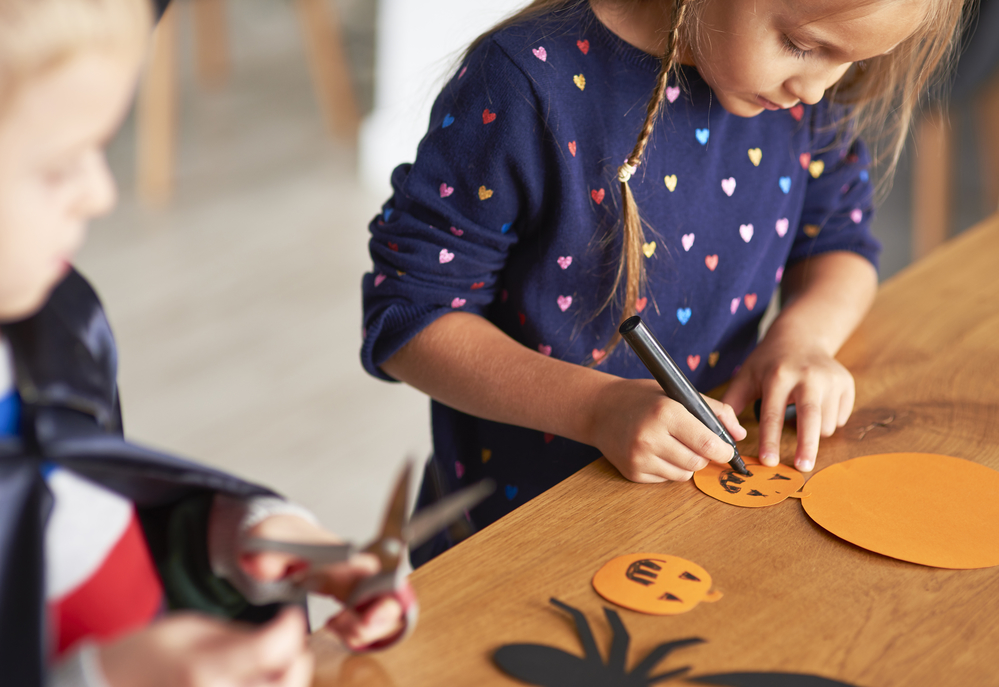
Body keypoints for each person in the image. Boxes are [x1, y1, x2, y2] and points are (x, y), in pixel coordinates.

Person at [360, 0, 964, 565]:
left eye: (853, 60)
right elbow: (410, 318)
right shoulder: (524, 81)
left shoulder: (801, 97)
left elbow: (841, 244)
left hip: (694, 523)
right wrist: (597, 410)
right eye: (800, 45)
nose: (816, 87)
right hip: (512, 534)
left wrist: (803, 338)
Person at [0, 1, 408, 684]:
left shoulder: (52, 324)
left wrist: (240, 539)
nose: (101, 193)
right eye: (58, 165)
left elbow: (78, 522)